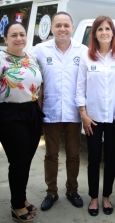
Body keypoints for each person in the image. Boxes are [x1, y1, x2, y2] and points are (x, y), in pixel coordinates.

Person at [31, 11, 87, 211]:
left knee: (73, 154)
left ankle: (72, 190)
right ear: (52, 28)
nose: (62, 29)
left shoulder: (82, 50)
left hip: (74, 112)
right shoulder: (40, 50)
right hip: (50, 111)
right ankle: (51, 192)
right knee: (51, 155)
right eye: (58, 25)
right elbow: (29, 72)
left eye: (66, 25)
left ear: (72, 28)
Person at [0, 21, 44, 222]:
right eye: (13, 35)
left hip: (31, 112)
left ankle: (21, 199)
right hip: (10, 115)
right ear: (5, 39)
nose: (18, 38)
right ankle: (16, 206)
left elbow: (39, 86)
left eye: (21, 34)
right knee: (18, 161)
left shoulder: (32, 58)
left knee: (26, 161)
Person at [76, 15, 115, 216]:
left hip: (114, 119)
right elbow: (80, 88)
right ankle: (94, 198)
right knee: (94, 159)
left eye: (108, 29)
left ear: (113, 32)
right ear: (94, 33)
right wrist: (84, 115)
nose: (104, 32)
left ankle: (107, 197)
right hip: (93, 119)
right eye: (100, 29)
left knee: (111, 159)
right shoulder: (87, 57)